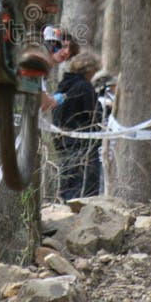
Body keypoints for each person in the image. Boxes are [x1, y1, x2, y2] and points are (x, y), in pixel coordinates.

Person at [50, 48, 102, 202]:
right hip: (82, 144)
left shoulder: (63, 86)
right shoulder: (84, 87)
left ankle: (66, 207)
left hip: (62, 142)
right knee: (85, 185)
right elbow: (92, 114)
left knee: (68, 181)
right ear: (89, 70)